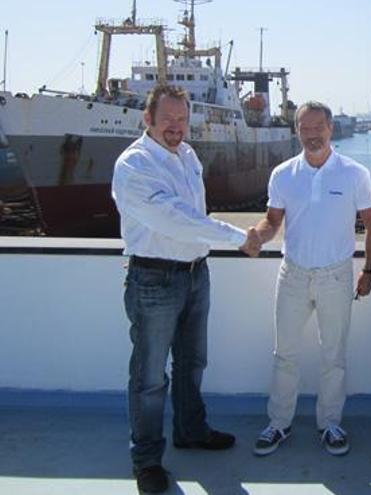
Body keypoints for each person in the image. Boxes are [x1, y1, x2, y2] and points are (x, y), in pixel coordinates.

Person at [111, 84, 261, 494]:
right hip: (154, 278)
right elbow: (174, 218)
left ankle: (191, 430)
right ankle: (146, 461)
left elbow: (195, 215)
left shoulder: (188, 155)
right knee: (149, 376)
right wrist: (237, 237)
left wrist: (212, 242)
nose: (176, 127)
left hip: (195, 272)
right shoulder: (134, 165)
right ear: (148, 119)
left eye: (182, 119)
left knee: (193, 361)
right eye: (167, 119)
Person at [250, 101, 371, 457]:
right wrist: (258, 237)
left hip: (336, 277)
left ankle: (331, 424)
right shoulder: (283, 174)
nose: (311, 135)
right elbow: (272, 221)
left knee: (333, 356)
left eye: (317, 127)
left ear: (330, 129)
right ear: (297, 131)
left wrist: (369, 270)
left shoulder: (354, 174)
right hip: (292, 274)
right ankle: (278, 424)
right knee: (284, 354)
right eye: (304, 128)